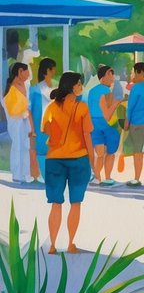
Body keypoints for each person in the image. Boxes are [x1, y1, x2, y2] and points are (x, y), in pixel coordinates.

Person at [42, 71, 94, 254]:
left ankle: (53, 245)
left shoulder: (50, 107)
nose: (81, 87)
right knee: (75, 203)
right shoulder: (82, 108)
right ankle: (71, 243)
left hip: (54, 160)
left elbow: (46, 130)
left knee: (55, 203)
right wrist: (93, 161)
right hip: (79, 159)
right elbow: (87, 136)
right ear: (72, 86)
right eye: (79, 84)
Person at [85, 65, 122, 187]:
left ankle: (97, 177)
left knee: (99, 153)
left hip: (93, 123)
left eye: (112, 74)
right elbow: (108, 115)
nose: (112, 77)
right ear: (102, 78)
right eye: (108, 74)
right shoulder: (106, 91)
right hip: (105, 124)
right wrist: (116, 103)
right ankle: (107, 177)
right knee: (110, 152)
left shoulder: (92, 91)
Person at [4, 61, 35, 183]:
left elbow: (27, 107)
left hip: (24, 119)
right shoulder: (12, 88)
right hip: (16, 121)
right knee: (17, 146)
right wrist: (24, 113)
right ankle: (17, 174)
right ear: (20, 71)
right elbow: (13, 110)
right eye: (27, 70)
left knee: (26, 146)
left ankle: (25, 174)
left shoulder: (25, 85)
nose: (29, 73)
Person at [30, 56, 56, 182]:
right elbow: (30, 109)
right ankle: (43, 176)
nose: (54, 72)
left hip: (54, 123)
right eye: (53, 69)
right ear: (48, 70)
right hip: (39, 123)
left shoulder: (55, 88)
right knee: (41, 149)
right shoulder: (35, 89)